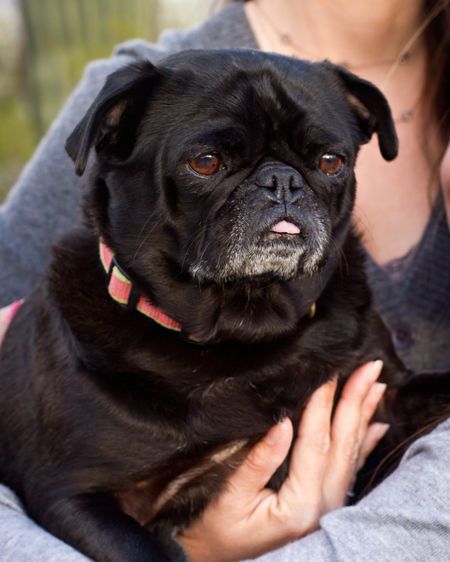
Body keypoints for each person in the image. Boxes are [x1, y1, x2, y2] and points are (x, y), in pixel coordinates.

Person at [0, 0, 449, 560]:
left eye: (326, 164)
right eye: (211, 163)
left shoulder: (339, 302)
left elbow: (407, 423)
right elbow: (63, 494)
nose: (283, 191)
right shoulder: (150, 86)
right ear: (108, 145)